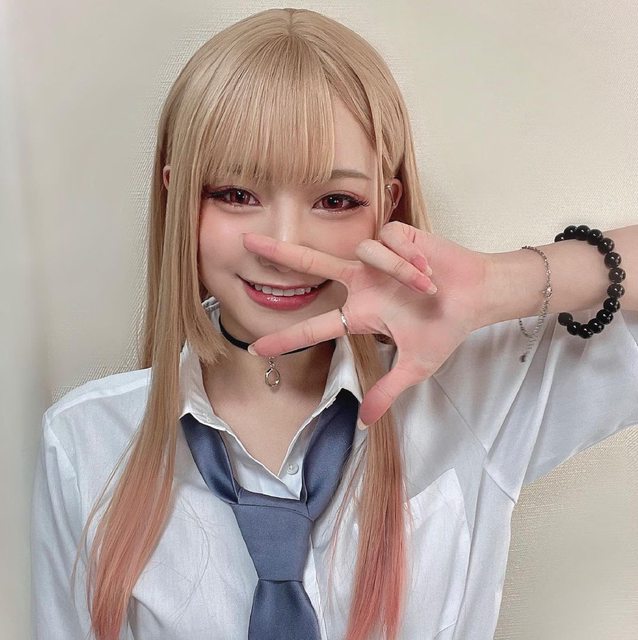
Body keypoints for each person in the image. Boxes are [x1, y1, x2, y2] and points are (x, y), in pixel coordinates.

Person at [30, 7, 638, 640]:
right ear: (178, 196)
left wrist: (496, 283)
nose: (283, 245)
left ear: (386, 206)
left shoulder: (474, 394)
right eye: (236, 194)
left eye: (336, 200)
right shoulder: (85, 442)